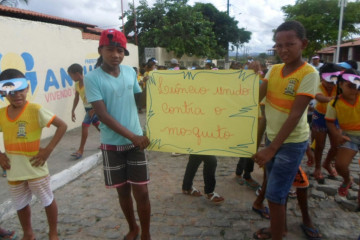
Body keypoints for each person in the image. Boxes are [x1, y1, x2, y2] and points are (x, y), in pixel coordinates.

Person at [252, 20, 319, 240]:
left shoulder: (309, 73)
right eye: (278, 45)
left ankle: (277, 234)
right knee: (274, 189)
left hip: (291, 143)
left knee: (275, 193)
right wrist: (251, 78)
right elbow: (255, 98)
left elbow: (295, 115)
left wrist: (270, 149)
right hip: (272, 138)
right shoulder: (273, 70)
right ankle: (277, 229)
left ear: (303, 44)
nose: (283, 50)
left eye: (289, 44)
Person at [84, 29, 151, 240]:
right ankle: (133, 227)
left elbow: (139, 101)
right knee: (122, 192)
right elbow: (102, 115)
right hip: (113, 145)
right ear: (100, 50)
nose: (116, 55)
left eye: (120, 51)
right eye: (111, 50)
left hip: (135, 144)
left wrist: (157, 90)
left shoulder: (131, 73)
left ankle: (146, 234)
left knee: (142, 192)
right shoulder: (92, 78)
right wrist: (133, 136)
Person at [0, 68, 67, 240]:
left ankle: (53, 233)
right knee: (20, 204)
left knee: (47, 200)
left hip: (35, 166)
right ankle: (28, 233)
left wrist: (47, 150)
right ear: (3, 93)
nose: (17, 95)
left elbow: (62, 126)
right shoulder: (1, 114)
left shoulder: (36, 110)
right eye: (11, 92)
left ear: (27, 88)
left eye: (20, 90)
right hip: (13, 169)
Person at [325, 68, 360, 197]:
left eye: (357, 86)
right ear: (340, 84)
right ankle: (347, 179)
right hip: (349, 136)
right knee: (340, 165)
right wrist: (337, 135)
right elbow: (329, 121)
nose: (354, 89)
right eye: (350, 85)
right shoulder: (334, 103)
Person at [311, 63, 342, 183]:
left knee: (336, 145)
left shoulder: (340, 85)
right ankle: (317, 167)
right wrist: (333, 99)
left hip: (335, 118)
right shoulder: (318, 86)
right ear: (322, 78)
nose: (330, 85)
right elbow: (319, 97)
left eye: (332, 82)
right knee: (319, 145)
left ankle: (327, 163)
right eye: (327, 82)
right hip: (320, 116)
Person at [68, 63, 100, 160]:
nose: (71, 78)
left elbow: (99, 94)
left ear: (77, 74)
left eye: (71, 75)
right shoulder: (77, 84)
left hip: (93, 108)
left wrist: (94, 109)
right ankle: (107, 141)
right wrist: (73, 110)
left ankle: (80, 150)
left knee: (84, 125)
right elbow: (77, 98)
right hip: (87, 108)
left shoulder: (88, 82)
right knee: (97, 124)